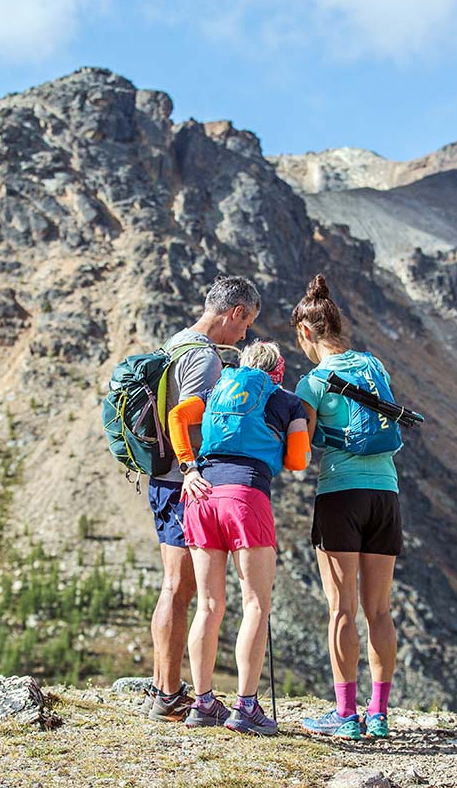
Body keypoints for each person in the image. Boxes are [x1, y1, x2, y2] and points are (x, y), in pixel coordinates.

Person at [168, 341, 310, 735]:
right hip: (246, 498)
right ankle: (246, 707)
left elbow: (178, 415)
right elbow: (299, 461)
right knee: (255, 605)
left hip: (201, 494)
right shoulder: (286, 401)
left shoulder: (217, 391)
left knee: (209, 605)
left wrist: (188, 467)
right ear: (277, 371)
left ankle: (203, 702)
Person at [141, 275, 261, 722]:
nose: (245, 334)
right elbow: (186, 419)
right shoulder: (205, 359)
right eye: (246, 322)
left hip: (162, 479)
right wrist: (192, 469)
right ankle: (169, 694)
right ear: (234, 312)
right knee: (180, 587)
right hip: (181, 483)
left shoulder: (175, 343)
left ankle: (162, 689)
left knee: (174, 587)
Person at [293, 274, 402, 741]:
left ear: (305, 333)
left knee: (341, 611)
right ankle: (377, 714)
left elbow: (299, 454)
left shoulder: (314, 381)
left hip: (341, 495)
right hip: (387, 494)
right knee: (380, 610)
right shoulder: (375, 367)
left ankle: (345, 716)